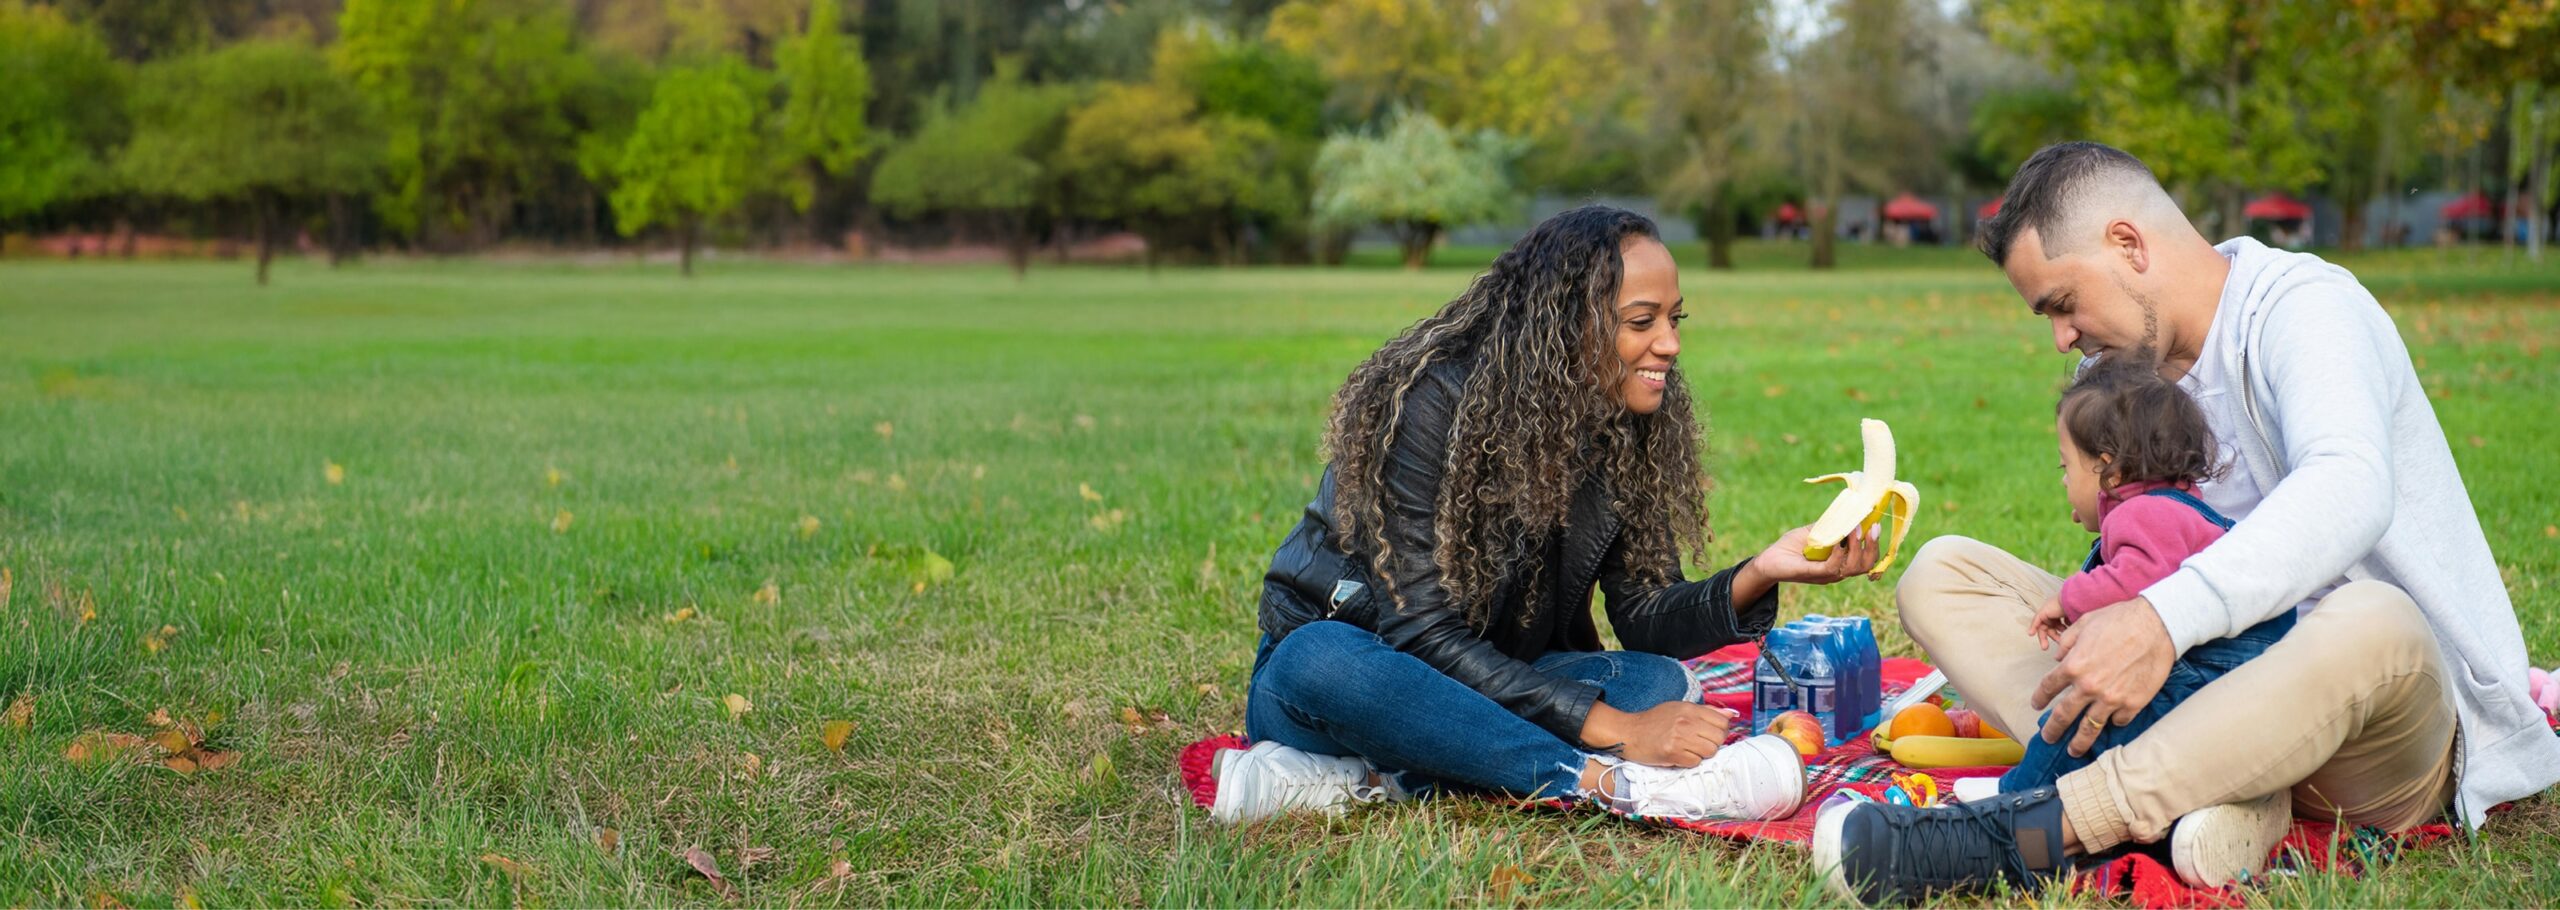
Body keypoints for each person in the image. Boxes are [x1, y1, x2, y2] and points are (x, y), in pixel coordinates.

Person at [1813, 142, 2560, 906]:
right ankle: (2220, 802)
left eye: (2063, 304)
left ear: (2129, 245)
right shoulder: (2116, 383)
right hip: (2198, 697)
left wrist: (2162, 621)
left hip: (2373, 731)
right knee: (1946, 572)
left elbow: (2351, 485)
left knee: (2371, 619)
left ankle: (2027, 832)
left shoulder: (2303, 308)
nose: (2061, 339)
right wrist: (2104, 609)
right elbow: (2130, 551)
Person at [1213, 205, 1886, 825]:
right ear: (1568, 321)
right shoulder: (1430, 402)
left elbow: (1643, 615)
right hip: (1357, 680)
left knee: (1654, 681)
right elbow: (1419, 635)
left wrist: (1763, 571)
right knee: (1317, 657)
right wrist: (1618, 736)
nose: (1670, 345)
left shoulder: (1626, 419)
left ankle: (1367, 782)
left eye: (1674, 319)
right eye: (1642, 320)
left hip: (1492, 682)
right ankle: (1615, 785)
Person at [2000, 352, 2292, 793]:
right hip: (2231, 659)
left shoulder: (2139, 514)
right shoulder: (2174, 504)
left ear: (2109, 471)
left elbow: (2138, 583)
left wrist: (2069, 597)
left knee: (2070, 726)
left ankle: (2018, 795)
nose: (2062, 481)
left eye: (2067, 466)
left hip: (2216, 662)